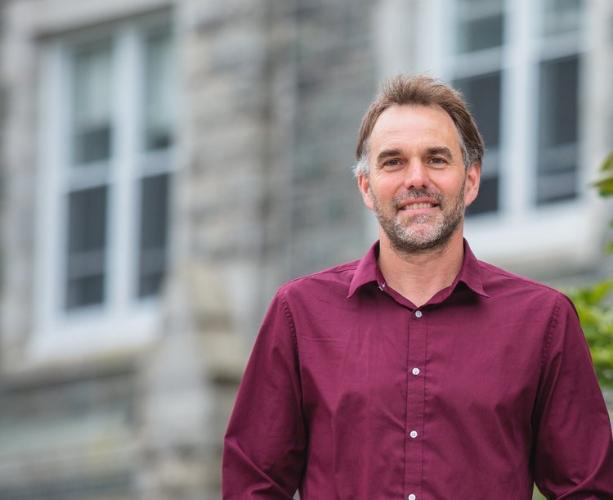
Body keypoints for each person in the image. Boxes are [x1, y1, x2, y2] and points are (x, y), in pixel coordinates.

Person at [222, 75, 613, 499]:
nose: (416, 178)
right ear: (367, 187)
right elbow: (253, 485)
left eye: (437, 159)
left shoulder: (542, 320)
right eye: (392, 161)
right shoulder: (299, 314)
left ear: (471, 180)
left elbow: (586, 490)